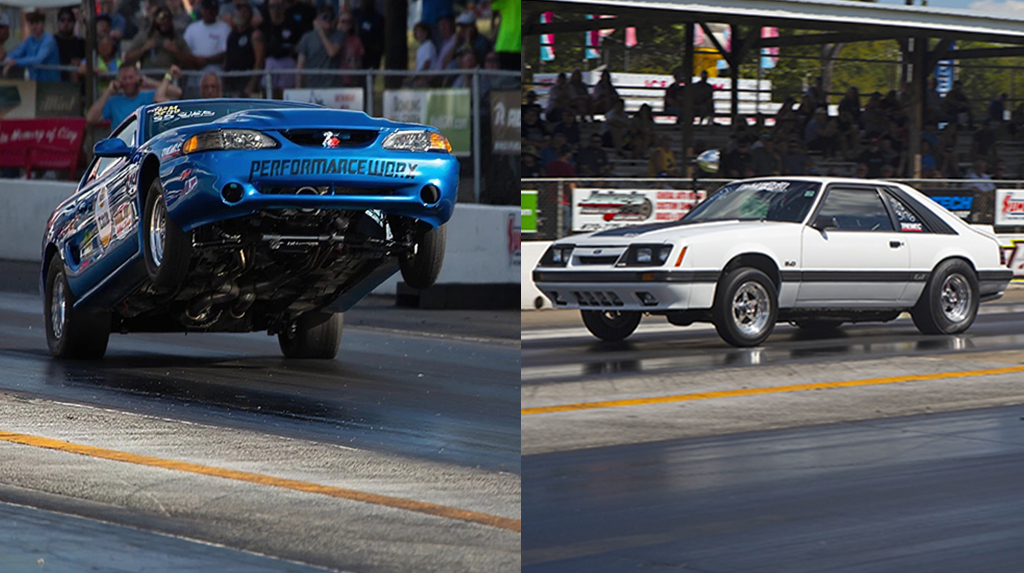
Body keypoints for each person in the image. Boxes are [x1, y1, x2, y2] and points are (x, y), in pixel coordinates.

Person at [86, 65, 182, 128]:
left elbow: (177, 92)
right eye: (124, 78)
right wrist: (108, 91)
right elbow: (90, 119)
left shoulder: (150, 95)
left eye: (131, 77)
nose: (128, 81)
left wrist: (148, 81)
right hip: (121, 149)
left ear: (137, 78)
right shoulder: (113, 101)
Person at [124, 7, 195, 74]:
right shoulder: (145, 37)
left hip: (170, 81)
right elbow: (127, 59)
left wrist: (175, 50)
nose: (164, 23)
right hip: (147, 82)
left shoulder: (177, 39)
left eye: (167, 19)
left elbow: (191, 64)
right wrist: (144, 49)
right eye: (161, 20)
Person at [2, 11, 60, 82]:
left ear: (43, 23)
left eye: (37, 23)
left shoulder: (49, 40)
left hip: (51, 84)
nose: (34, 26)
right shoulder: (29, 40)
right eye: (31, 23)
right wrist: (8, 59)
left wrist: (15, 62)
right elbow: (17, 52)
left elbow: (38, 59)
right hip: (35, 82)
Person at [296, 6, 344, 88]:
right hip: (312, 85)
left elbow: (332, 52)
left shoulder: (338, 35)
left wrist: (321, 34)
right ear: (317, 19)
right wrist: (298, 87)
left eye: (331, 17)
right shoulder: (307, 37)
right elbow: (301, 64)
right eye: (325, 17)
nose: (328, 20)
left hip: (333, 86)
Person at [225, 0, 264, 97]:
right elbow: (227, 58)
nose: (242, 13)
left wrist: (251, 84)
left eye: (245, 11)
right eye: (239, 10)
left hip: (247, 79)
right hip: (232, 79)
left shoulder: (255, 35)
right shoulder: (232, 35)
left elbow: (259, 61)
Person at [260, 0, 299, 94]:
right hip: (271, 61)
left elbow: (298, 43)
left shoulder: (292, 24)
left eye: (278, 6)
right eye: (272, 6)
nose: (275, 9)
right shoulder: (264, 26)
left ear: (284, 7)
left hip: (287, 59)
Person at [184, 0, 231, 77]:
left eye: (212, 9)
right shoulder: (192, 28)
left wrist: (206, 60)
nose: (209, 12)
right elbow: (185, 50)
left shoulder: (225, 28)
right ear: (202, 10)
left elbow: (227, 53)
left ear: (217, 11)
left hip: (216, 74)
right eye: (207, 9)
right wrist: (194, 60)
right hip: (194, 74)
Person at [54, 7, 85, 82]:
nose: (66, 23)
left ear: (74, 23)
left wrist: (80, 62)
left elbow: (86, 60)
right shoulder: (52, 41)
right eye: (62, 20)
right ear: (58, 22)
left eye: (69, 20)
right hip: (56, 79)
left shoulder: (81, 43)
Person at [352, 0, 383, 70]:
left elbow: (381, 41)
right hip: (353, 55)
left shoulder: (379, 19)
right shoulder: (354, 15)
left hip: (371, 56)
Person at [337, 10, 364, 86]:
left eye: (348, 22)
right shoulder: (331, 39)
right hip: (334, 80)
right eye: (343, 21)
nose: (345, 24)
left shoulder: (356, 41)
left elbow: (359, 61)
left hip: (350, 80)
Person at [408, 22, 436, 86]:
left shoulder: (429, 45)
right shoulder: (420, 48)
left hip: (427, 78)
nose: (420, 34)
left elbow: (427, 64)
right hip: (419, 76)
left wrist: (416, 77)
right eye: (418, 32)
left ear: (426, 33)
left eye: (422, 32)